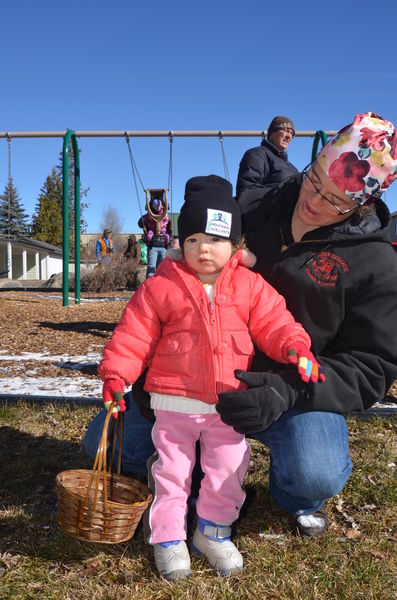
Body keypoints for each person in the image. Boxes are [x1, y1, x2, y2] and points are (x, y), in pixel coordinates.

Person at [85, 112, 397, 544]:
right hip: (197, 375)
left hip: (290, 387)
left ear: (361, 203)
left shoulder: (377, 264)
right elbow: (199, 237)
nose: (313, 200)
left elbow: (371, 367)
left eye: (334, 200)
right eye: (315, 179)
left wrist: (288, 388)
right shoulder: (259, 204)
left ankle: (292, 497)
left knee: (314, 471)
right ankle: (200, 477)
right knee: (107, 447)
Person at [96, 174, 323, 580]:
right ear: (181, 243)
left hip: (227, 404)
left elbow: (275, 323)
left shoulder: (250, 286)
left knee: (228, 469)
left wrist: (296, 349)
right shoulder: (160, 286)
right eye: (194, 239)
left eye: (215, 240)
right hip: (173, 403)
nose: (204, 249)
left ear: (235, 246)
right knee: (172, 472)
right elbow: (133, 335)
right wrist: (116, 376)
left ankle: (212, 533)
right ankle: (167, 538)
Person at [236, 115, 298, 215]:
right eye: (286, 130)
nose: (289, 136)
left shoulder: (293, 168)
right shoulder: (257, 154)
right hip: (267, 221)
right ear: (272, 132)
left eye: (292, 133)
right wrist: (282, 194)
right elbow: (247, 194)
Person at [138, 198, 172, 278]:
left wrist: (169, 243)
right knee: (151, 269)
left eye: (159, 206)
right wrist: (144, 219)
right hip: (153, 246)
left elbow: (168, 228)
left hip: (163, 246)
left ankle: (160, 288)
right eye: (156, 206)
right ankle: (149, 288)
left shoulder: (164, 215)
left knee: (162, 270)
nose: (158, 208)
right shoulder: (149, 215)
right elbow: (140, 223)